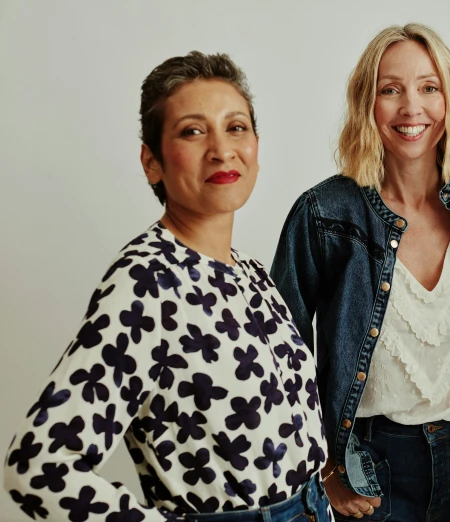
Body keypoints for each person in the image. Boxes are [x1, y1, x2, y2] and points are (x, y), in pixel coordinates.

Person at [3, 51, 332, 522]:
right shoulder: (147, 283)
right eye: (193, 131)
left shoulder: (254, 274)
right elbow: (39, 466)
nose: (221, 149)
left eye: (235, 126)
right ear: (152, 162)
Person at [271, 23, 450, 522]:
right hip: (369, 468)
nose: (411, 108)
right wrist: (325, 471)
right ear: (366, 104)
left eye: (428, 87)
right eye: (390, 90)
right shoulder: (323, 214)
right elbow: (280, 357)